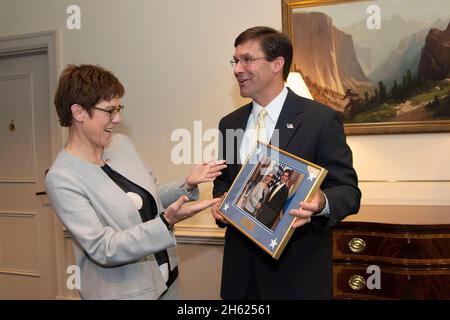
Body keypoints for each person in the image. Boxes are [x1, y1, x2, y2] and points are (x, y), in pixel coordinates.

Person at [45, 64, 226, 300]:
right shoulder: (62, 177)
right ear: (79, 112)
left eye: (119, 108)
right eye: (110, 111)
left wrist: (187, 185)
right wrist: (166, 222)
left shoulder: (121, 145)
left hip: (166, 281)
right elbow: (104, 248)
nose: (118, 119)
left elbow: (146, 201)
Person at [211, 26, 361, 299]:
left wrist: (320, 203)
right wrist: (220, 202)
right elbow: (223, 181)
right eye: (235, 61)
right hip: (240, 279)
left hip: (297, 279)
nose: (237, 69)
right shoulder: (229, 124)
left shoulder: (320, 120)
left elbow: (349, 192)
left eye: (247, 59)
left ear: (277, 64)